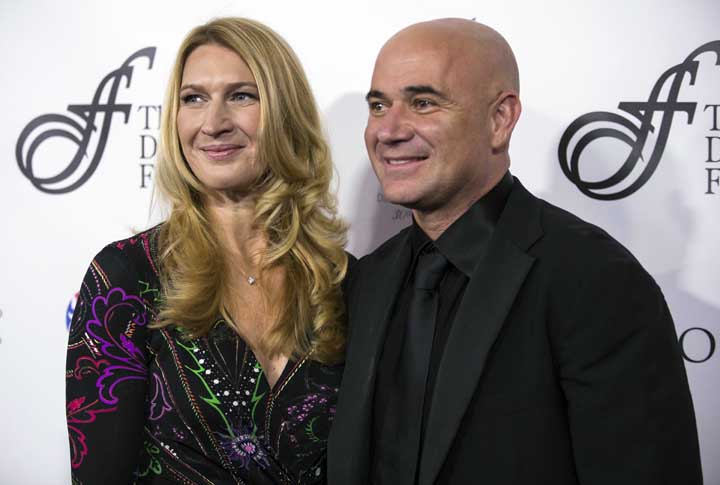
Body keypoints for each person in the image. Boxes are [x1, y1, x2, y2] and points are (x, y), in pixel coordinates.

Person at [328, 18, 702, 485]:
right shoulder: (368, 280)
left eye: (423, 102)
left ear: (499, 119)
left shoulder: (595, 279)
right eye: (379, 106)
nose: (389, 130)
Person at [65, 17, 349, 484]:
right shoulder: (126, 277)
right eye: (193, 98)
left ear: (285, 111)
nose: (213, 123)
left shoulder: (341, 280)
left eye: (241, 95)